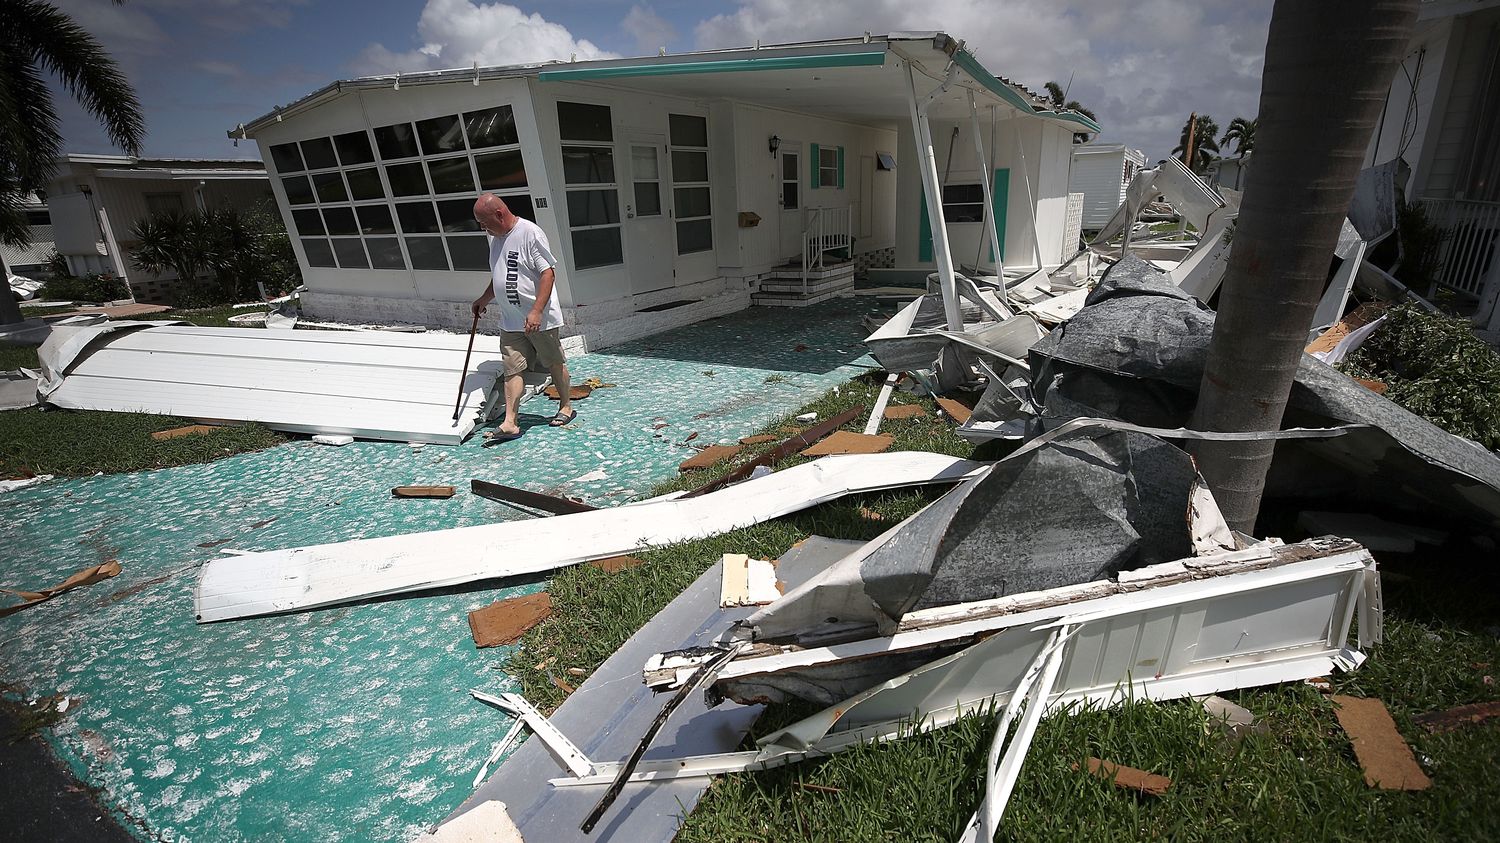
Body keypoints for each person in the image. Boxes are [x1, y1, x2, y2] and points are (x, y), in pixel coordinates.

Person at [470, 193, 574, 441]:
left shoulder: (530, 233)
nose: (482, 228)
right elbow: (501, 274)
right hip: (511, 320)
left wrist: (536, 310)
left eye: (484, 222)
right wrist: (485, 298)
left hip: (539, 318)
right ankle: (511, 422)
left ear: (499, 214)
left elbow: (548, 273)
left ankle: (566, 407)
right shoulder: (495, 237)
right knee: (512, 370)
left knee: (553, 363)